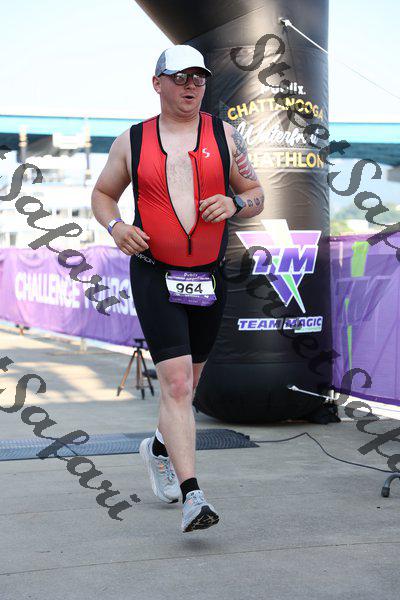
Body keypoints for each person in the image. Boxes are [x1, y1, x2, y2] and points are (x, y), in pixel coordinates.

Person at [91, 44, 265, 533]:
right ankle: (193, 496)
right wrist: (116, 227)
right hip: (154, 273)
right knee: (177, 385)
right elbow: (103, 194)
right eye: (181, 77)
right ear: (158, 83)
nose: (191, 86)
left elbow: (256, 194)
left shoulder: (225, 135)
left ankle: (158, 448)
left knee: (189, 384)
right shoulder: (132, 140)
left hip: (209, 275)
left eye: (199, 78)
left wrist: (234, 203)